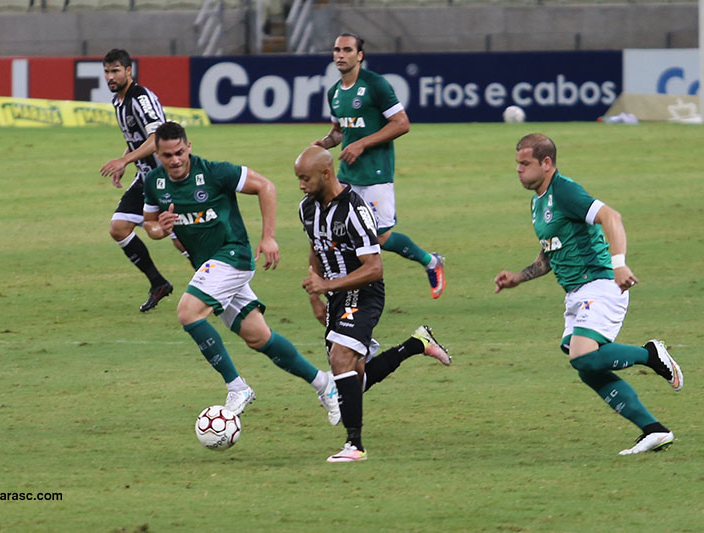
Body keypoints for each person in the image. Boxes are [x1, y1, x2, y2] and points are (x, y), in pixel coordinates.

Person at [494, 133, 684, 456]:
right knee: (587, 367)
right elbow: (549, 254)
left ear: (547, 164)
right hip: (576, 293)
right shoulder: (537, 202)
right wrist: (519, 278)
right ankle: (654, 430)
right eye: (517, 164)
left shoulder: (564, 191)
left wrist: (619, 264)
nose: (519, 170)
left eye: (525, 164)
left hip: (601, 283)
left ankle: (650, 355)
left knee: (582, 356)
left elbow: (612, 217)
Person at [142, 121, 340, 424]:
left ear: (189, 146)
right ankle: (325, 384)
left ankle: (237, 388)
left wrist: (268, 237)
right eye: (167, 155)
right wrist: (161, 229)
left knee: (188, 312)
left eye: (180, 152)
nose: (175, 160)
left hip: (232, 255)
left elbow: (266, 186)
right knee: (259, 337)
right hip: (209, 267)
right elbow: (150, 225)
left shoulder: (214, 172)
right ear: (158, 155)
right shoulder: (154, 182)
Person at [296, 146, 451, 463]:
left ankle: (355, 446)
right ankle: (416, 344)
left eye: (305, 178)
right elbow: (316, 247)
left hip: (364, 289)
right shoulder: (306, 209)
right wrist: (316, 293)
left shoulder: (355, 210)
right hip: (335, 294)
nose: (301, 185)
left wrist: (325, 284)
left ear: (326, 174)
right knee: (354, 379)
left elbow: (374, 268)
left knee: (341, 361)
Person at [312, 32, 446, 300]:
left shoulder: (376, 85)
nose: (340, 54)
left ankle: (431, 262)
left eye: (347, 50)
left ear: (359, 56)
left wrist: (362, 144)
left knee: (381, 238)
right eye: (337, 49)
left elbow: (401, 123)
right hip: (346, 176)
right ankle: (348, 286)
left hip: (375, 176)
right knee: (339, 230)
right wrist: (326, 143)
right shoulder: (334, 93)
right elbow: (340, 131)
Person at [99, 48, 176, 313]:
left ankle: (225, 289)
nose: (110, 76)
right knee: (119, 227)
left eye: (115, 71)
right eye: (107, 71)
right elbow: (136, 137)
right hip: (146, 178)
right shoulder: (118, 101)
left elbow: (157, 138)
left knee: (183, 240)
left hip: (167, 178)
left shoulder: (140, 98)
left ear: (129, 71)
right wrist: (125, 159)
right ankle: (158, 283)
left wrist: (125, 160)